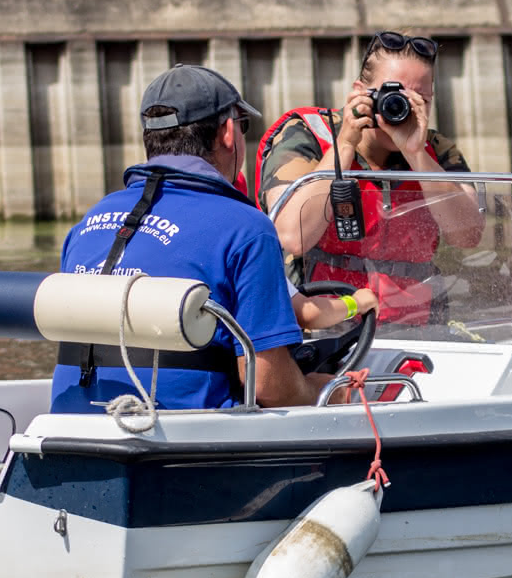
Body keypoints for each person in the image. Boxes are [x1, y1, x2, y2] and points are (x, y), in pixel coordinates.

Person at [50, 64, 335, 413]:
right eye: (242, 126)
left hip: (72, 426)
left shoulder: (90, 222)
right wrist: (326, 391)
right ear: (228, 132)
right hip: (180, 443)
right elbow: (268, 385)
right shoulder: (246, 228)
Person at [255, 29, 483, 321]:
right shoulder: (306, 135)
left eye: (419, 101)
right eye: (392, 96)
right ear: (359, 92)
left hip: (420, 328)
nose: (400, 109)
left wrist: (416, 153)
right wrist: (345, 145)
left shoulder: (436, 151)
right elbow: (291, 237)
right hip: (326, 326)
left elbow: (468, 235)